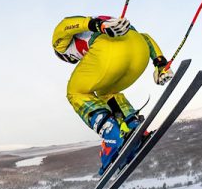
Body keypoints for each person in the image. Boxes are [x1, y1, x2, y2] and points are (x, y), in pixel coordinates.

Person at [52, 15, 173, 175]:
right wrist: (160, 63)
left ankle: (111, 136)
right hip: (139, 53)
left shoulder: (63, 46)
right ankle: (131, 126)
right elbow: (146, 38)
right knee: (106, 92)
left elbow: (64, 25)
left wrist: (96, 25)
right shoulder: (112, 23)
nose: (74, 60)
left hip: (109, 50)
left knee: (76, 92)